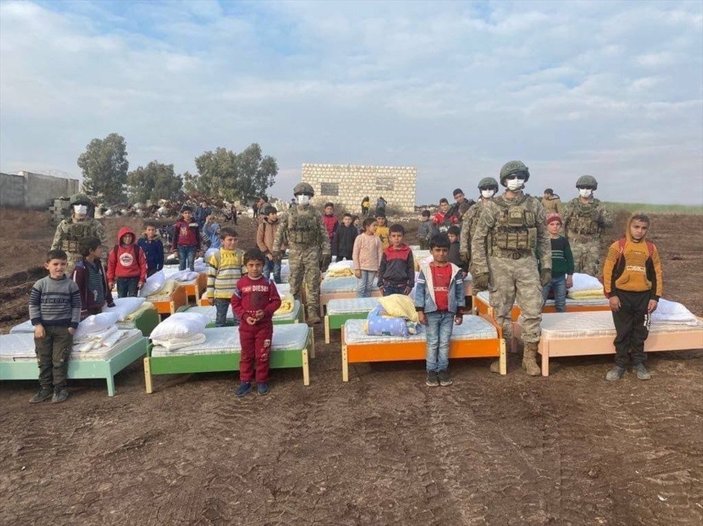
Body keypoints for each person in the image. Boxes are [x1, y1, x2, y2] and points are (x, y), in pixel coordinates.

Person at [471, 160, 551, 376]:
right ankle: (503, 355)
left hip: (526, 262)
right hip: (499, 263)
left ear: (525, 178)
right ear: (504, 180)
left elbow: (544, 237)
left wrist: (546, 265)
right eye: (511, 177)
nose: (516, 181)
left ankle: (529, 358)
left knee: (533, 309)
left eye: (519, 176)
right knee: (501, 311)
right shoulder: (493, 206)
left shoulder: (534, 205)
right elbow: (478, 239)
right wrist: (481, 268)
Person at [602, 213, 662, 381]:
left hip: (644, 296)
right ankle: (620, 365)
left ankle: (638, 364)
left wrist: (655, 297)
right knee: (623, 332)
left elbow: (657, 273)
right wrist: (611, 295)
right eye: (636, 227)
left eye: (644, 228)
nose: (639, 231)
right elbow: (607, 271)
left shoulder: (651, 248)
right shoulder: (618, 246)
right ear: (629, 227)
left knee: (640, 331)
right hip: (621, 296)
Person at [272, 182, 331, 324]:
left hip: (311, 250)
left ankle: (312, 312)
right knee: (294, 281)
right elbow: (280, 232)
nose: (303, 197)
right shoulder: (289, 213)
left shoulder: (315, 214)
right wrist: (275, 249)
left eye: (306, 195)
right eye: (300, 195)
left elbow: (323, 233)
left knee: (312, 282)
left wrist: (326, 251)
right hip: (294, 251)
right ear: (296, 196)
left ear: (310, 197)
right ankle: (296, 309)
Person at [28, 249, 81, 404]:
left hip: (63, 329)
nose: (59, 267)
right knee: (44, 359)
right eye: (55, 264)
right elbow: (33, 305)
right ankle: (45, 389)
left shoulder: (71, 285)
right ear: (47, 265)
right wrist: (37, 325)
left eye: (63, 264)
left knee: (60, 359)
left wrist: (73, 325)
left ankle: (59, 389)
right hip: (43, 329)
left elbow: (76, 307)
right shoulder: (40, 284)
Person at [415, 233, 465, 387]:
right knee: (433, 342)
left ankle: (442, 370)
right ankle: (431, 371)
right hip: (431, 312)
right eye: (437, 250)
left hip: (448, 313)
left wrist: (459, 312)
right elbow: (420, 291)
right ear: (431, 251)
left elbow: (459, 292)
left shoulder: (454, 270)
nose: (441, 253)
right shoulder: (426, 270)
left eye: (444, 250)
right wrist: (420, 310)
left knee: (444, 343)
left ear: (448, 251)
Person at [232, 249, 282, 397]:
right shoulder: (241, 284)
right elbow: (235, 303)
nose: (255, 268)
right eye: (251, 265)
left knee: (262, 355)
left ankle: (261, 381)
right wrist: (244, 316)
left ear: (263, 265)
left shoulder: (268, 283)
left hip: (264, 327)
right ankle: (245, 382)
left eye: (258, 265)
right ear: (246, 266)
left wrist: (266, 312)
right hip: (246, 328)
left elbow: (276, 301)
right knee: (247, 355)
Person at [563, 175, 613, 276]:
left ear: (593, 189)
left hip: (592, 243)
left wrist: (600, 218)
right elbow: (562, 223)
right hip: (574, 242)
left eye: (588, 188)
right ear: (578, 189)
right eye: (582, 188)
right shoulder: (571, 205)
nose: (585, 190)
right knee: (571, 271)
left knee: (591, 272)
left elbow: (610, 223)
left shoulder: (599, 206)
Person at [51, 193, 106, 271]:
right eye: (77, 205)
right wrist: (53, 264)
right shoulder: (64, 224)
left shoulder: (95, 225)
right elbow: (55, 246)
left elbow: (103, 246)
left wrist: (102, 264)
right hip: (68, 265)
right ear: (72, 208)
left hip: (89, 264)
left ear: (87, 208)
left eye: (83, 205)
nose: (80, 208)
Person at [207, 227, 245, 327]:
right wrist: (210, 295)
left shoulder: (241, 254)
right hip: (220, 294)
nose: (233, 242)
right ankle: (220, 340)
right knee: (220, 318)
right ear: (222, 241)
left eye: (235, 239)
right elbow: (211, 276)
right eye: (230, 240)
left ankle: (239, 339)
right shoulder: (217, 256)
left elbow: (245, 275)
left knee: (239, 319)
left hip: (237, 294)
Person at [459, 177, 499, 271]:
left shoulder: (500, 208)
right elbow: (465, 230)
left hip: (496, 251)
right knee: (479, 278)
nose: (487, 191)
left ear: (495, 190)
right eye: (485, 188)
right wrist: (464, 249)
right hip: (477, 251)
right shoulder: (473, 209)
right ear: (480, 190)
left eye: (490, 188)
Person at [72, 237, 115, 318]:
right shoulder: (80, 269)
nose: (101, 250)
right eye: (99, 248)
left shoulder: (99, 265)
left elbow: (104, 284)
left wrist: (109, 300)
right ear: (91, 251)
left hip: (99, 305)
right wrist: (82, 309)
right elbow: (76, 290)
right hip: (87, 310)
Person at [542, 213, 574, 313]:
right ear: (546, 226)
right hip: (545, 277)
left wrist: (569, 276)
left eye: (557, 224)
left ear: (560, 226)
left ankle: (561, 325)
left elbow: (569, 259)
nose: (555, 227)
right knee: (540, 303)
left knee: (561, 303)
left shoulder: (563, 241)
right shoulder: (542, 241)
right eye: (551, 224)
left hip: (560, 278)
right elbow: (534, 258)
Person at [107, 227, 148, 298]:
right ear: (121, 238)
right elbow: (111, 265)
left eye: (129, 236)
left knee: (132, 298)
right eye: (125, 237)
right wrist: (110, 279)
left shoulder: (137, 249)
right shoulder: (115, 250)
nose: (128, 239)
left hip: (134, 278)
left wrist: (142, 279)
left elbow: (143, 265)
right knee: (121, 298)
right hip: (121, 279)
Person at [378, 224, 415, 296]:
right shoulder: (386, 251)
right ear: (390, 238)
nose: (396, 238)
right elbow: (382, 268)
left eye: (399, 236)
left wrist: (410, 285)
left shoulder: (407, 251)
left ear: (403, 237)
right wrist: (380, 284)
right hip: (388, 286)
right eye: (393, 236)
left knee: (401, 306)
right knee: (389, 306)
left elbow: (411, 268)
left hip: (402, 286)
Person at [352, 217, 383, 298]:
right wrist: (356, 268)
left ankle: (366, 304)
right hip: (362, 267)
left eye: (376, 225)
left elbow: (380, 254)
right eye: (374, 225)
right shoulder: (360, 238)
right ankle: (359, 305)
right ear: (367, 226)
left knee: (369, 287)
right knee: (361, 287)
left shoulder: (377, 239)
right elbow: (355, 254)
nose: (376, 227)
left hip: (373, 267)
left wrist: (379, 267)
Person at [256, 206, 282, 283]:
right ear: (267, 215)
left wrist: (281, 251)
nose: (275, 215)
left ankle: (278, 291)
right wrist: (266, 253)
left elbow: (284, 239)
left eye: (275, 213)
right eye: (272, 214)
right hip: (266, 254)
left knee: (277, 273)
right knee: (266, 273)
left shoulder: (280, 226)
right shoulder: (262, 226)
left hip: (277, 254)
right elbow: (259, 240)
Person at [172, 206, 201, 271]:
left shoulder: (195, 224)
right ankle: (182, 279)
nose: (187, 214)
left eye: (189, 213)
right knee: (182, 263)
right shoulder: (179, 224)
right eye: (185, 213)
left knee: (191, 264)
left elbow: (198, 237)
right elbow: (175, 237)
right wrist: (174, 249)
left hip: (192, 247)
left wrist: (198, 249)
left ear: (191, 214)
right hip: (181, 247)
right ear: (182, 214)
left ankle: (191, 279)